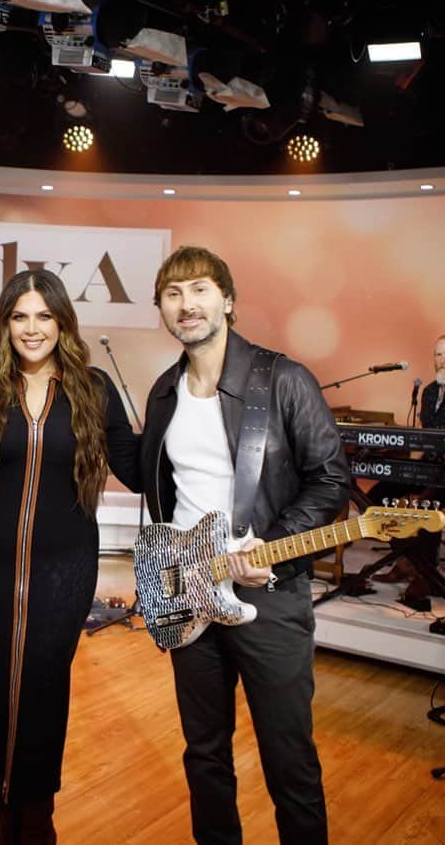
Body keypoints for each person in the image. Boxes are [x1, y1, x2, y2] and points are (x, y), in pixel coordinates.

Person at [139, 246, 349, 845]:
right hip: (192, 595)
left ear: (227, 300)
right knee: (204, 756)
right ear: (161, 308)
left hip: (271, 597)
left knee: (289, 760)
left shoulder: (282, 378)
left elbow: (332, 478)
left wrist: (273, 547)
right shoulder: (163, 392)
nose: (188, 305)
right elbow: (161, 489)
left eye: (200, 289)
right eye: (174, 294)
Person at [0, 269, 138, 844]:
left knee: (42, 695)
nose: (32, 328)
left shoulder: (93, 387)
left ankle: (37, 827)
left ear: (63, 321)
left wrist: (176, 409)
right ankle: (6, 823)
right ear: (5, 323)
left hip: (63, 577)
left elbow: (137, 468)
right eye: (20, 316)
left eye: (44, 316)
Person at [373, 333, 445, 607]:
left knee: (426, 507)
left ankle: (427, 576)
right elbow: (424, 438)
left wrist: (433, 474)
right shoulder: (430, 390)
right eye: (438, 354)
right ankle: (407, 562)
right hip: (430, 467)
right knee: (377, 494)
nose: (442, 360)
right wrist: (409, 470)